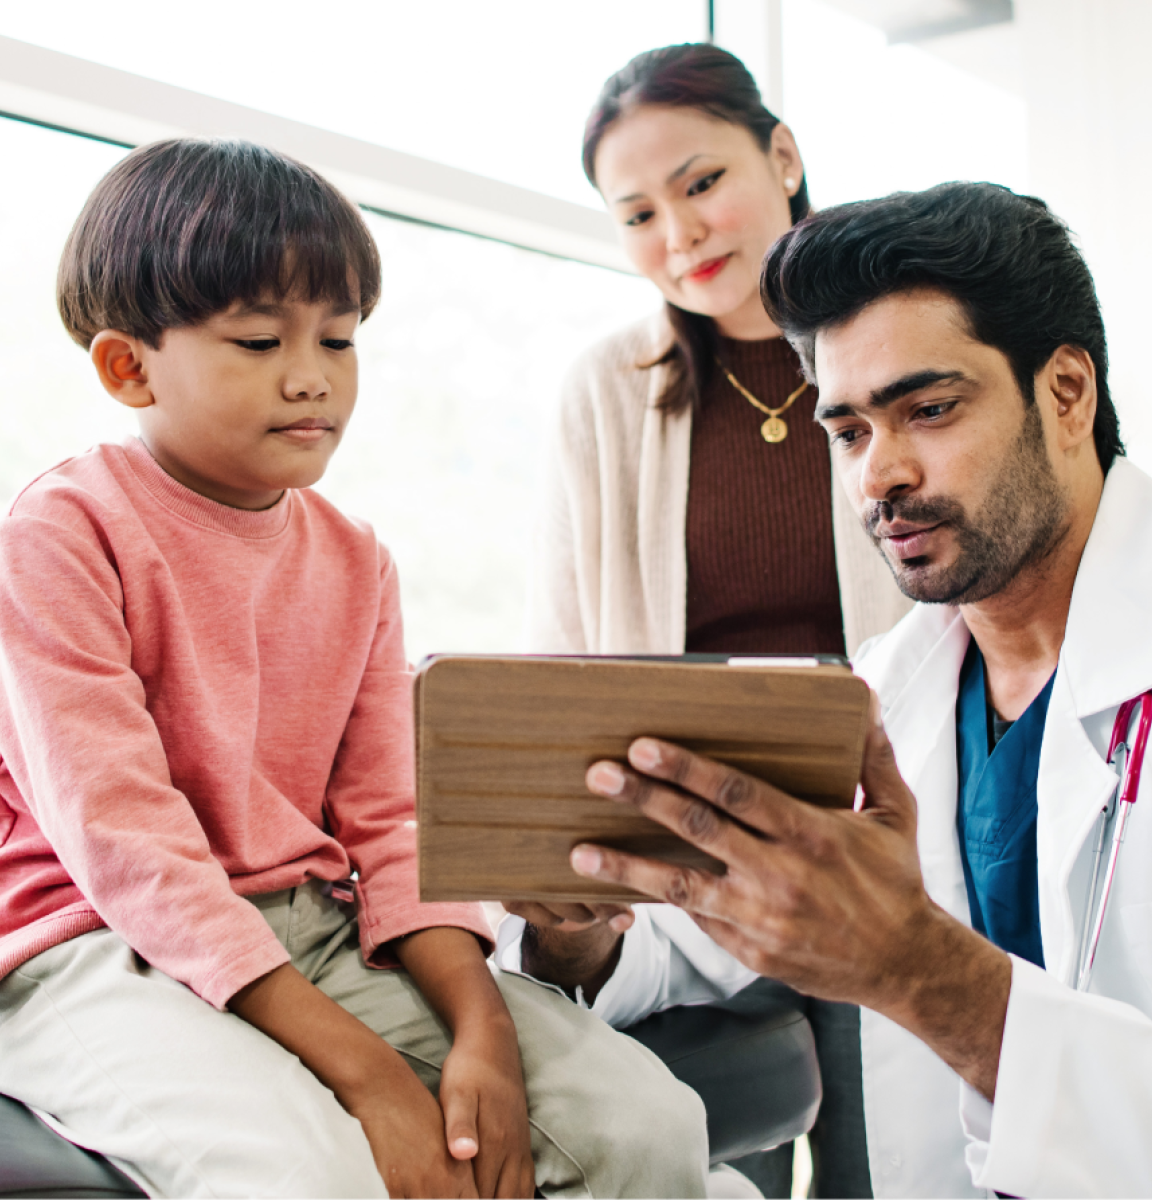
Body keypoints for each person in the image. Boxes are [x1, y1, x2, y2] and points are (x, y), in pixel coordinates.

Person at [0, 137, 710, 1200]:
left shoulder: (357, 560)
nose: (310, 376)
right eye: (256, 339)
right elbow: (126, 845)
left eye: (338, 339)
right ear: (126, 365)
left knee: (645, 1126)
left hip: (311, 925)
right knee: (311, 1177)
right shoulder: (60, 533)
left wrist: (485, 1035)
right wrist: (373, 1076)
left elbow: (389, 820)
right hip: (89, 946)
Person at [564, 179, 1152, 1199]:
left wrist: (920, 973)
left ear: (1067, 392)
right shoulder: (886, 691)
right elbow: (690, 928)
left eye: (930, 410)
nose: (878, 476)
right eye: (851, 431)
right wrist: (578, 929)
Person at [506, 43, 908, 1200]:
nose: (677, 232)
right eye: (636, 211)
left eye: (699, 183)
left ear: (782, 158)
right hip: (689, 821)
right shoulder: (606, 387)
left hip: (881, 808)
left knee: (891, 1149)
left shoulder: (890, 357)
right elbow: (564, 647)